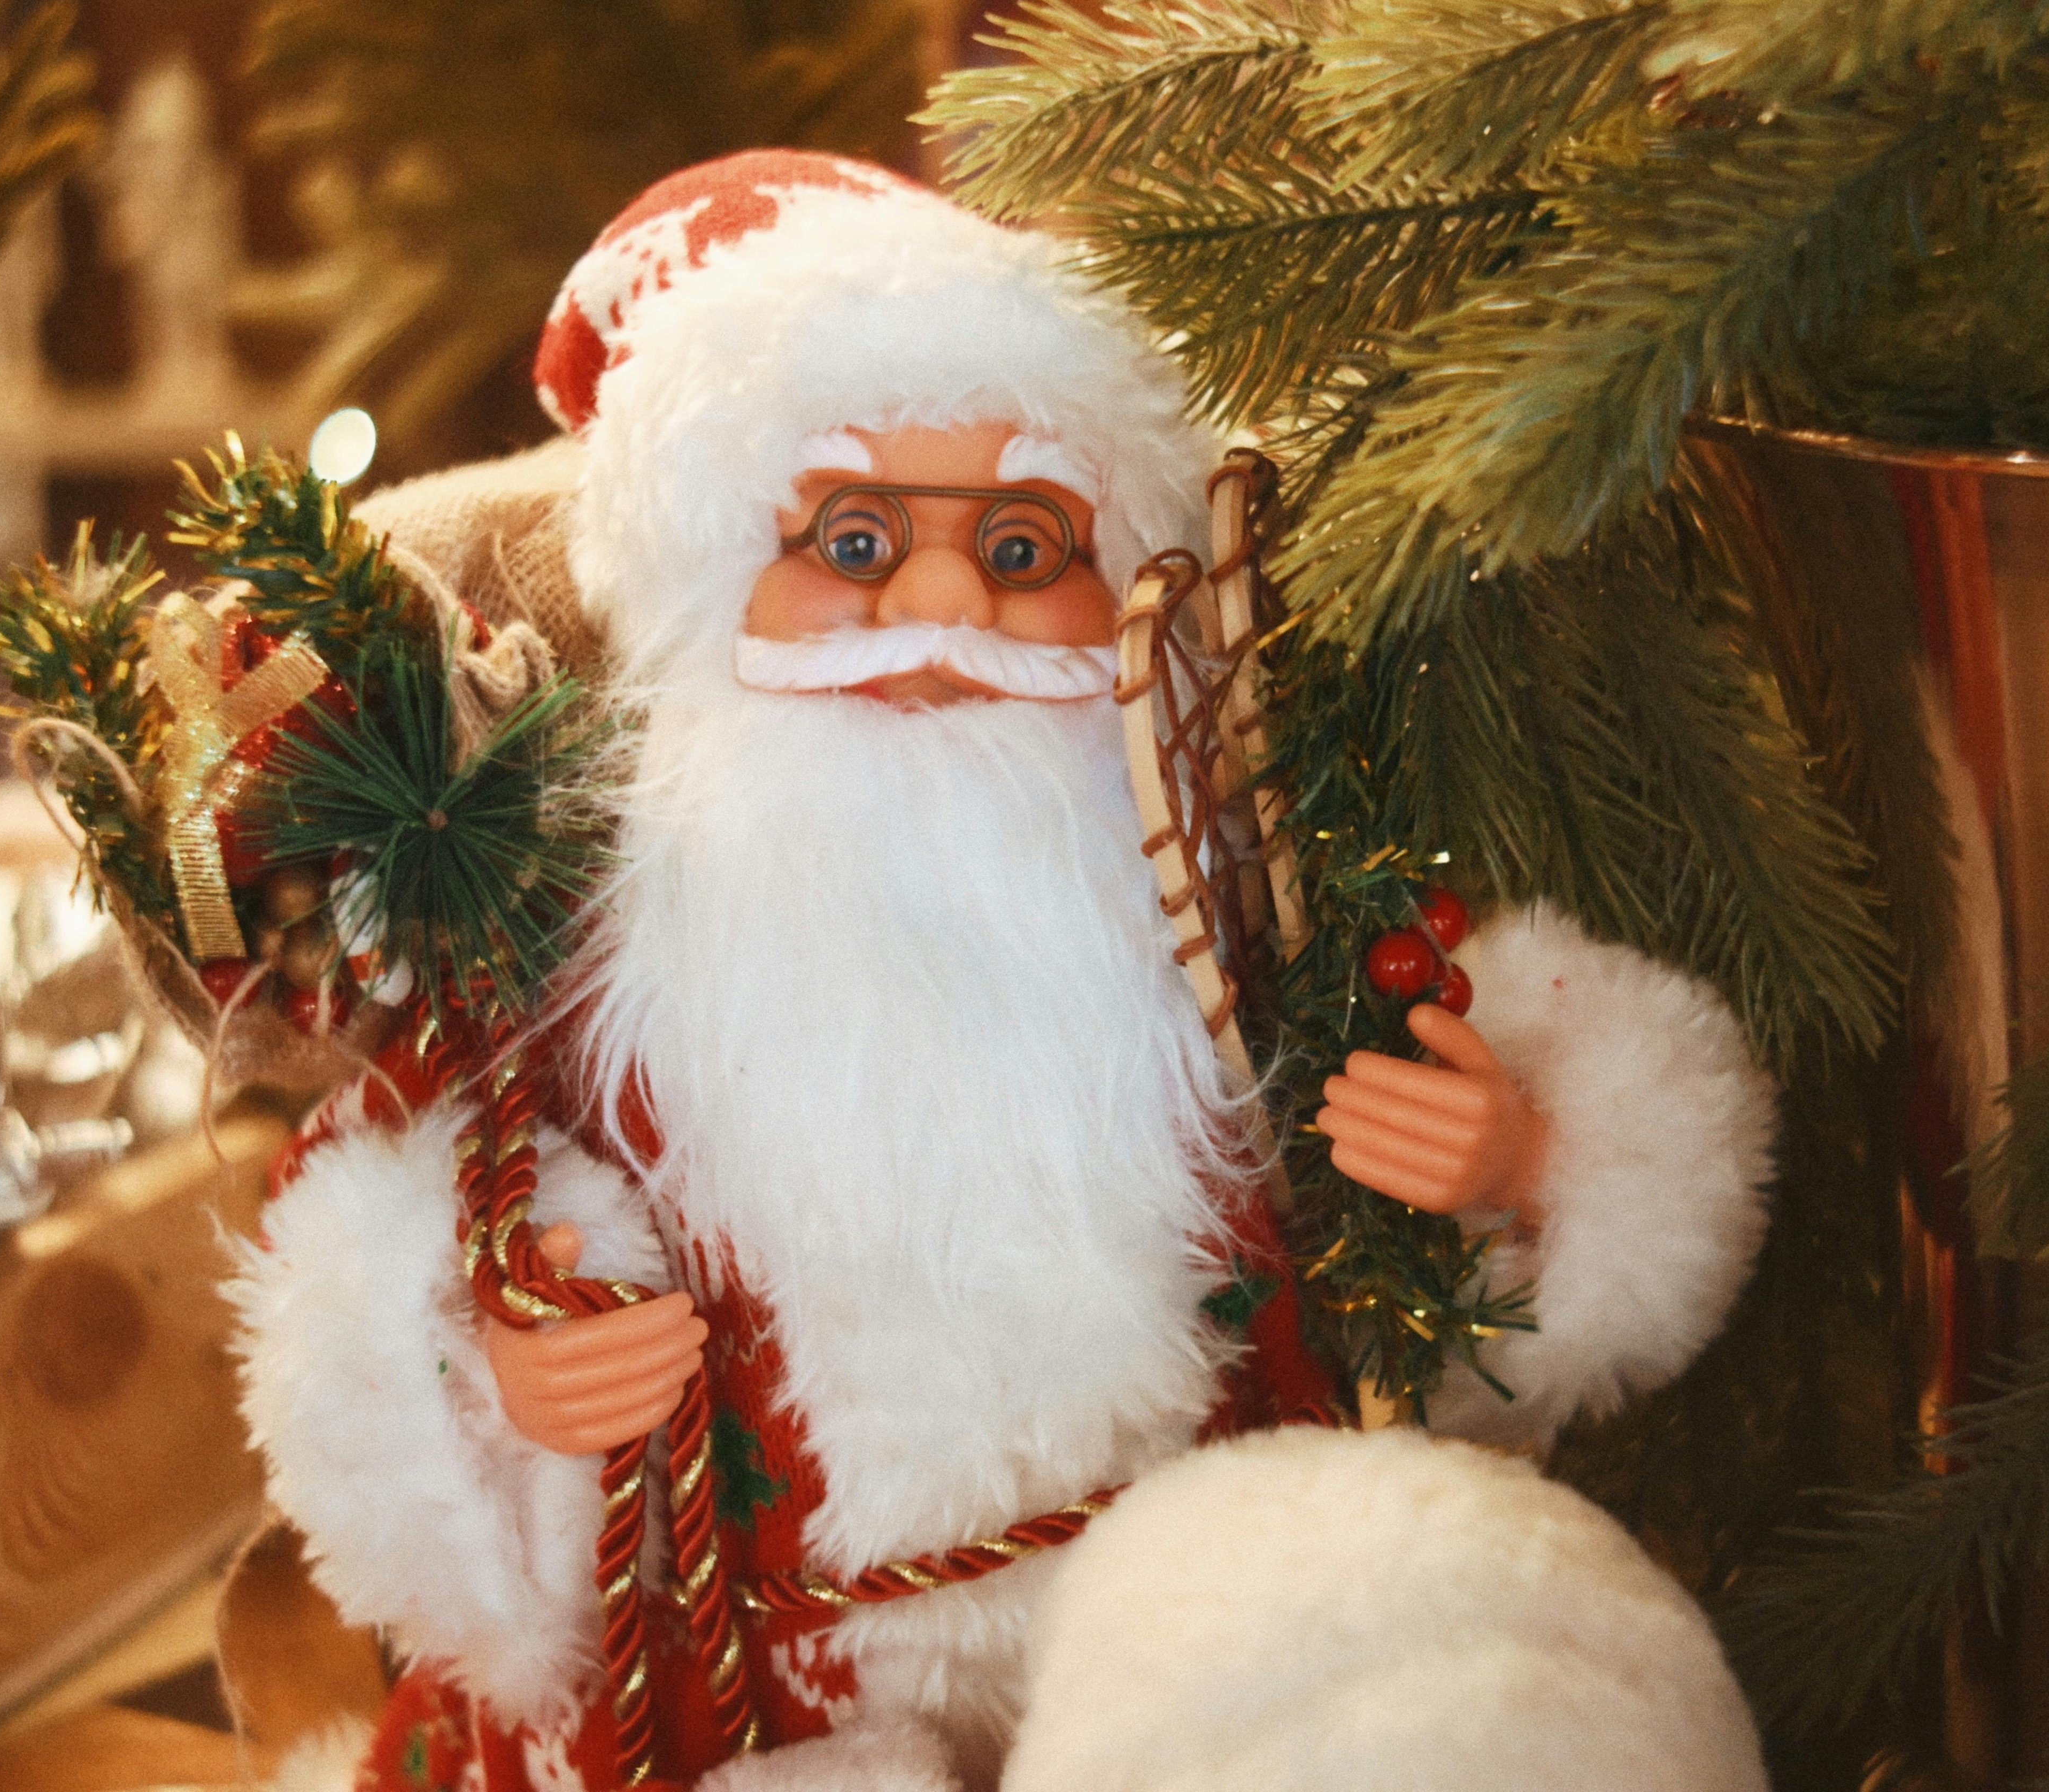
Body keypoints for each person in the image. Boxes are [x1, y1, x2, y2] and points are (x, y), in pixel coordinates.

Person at [229, 152, 1775, 1791]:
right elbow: (393, 1244)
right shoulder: (589, 986)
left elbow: (1455, 1263)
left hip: (1195, 1675)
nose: (946, 603)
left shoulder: (1233, 922)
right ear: (704, 583)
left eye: (1027, 545)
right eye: (855, 537)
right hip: (760, 1712)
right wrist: (503, 1390)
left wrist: (1520, 1166)